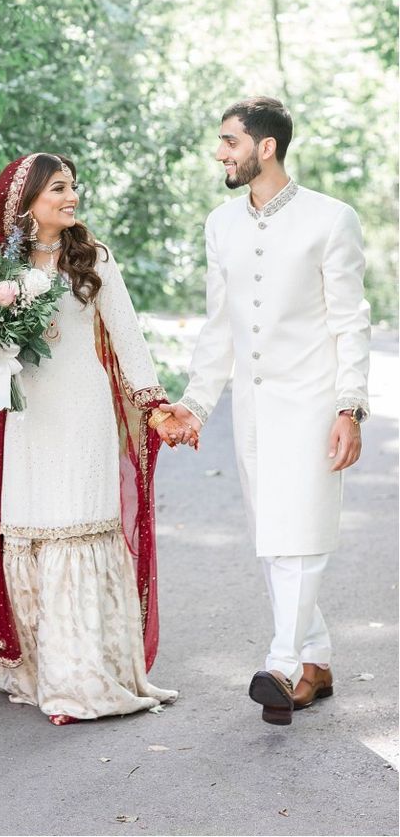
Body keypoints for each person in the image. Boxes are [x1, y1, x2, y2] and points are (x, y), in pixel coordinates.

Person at [161, 97, 371, 726]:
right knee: (273, 536)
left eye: (229, 142)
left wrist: (350, 407)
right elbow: (220, 324)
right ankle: (316, 655)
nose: (220, 154)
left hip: (313, 398)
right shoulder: (220, 223)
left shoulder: (331, 219)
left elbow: (350, 323)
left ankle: (284, 664)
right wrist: (197, 403)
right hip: (254, 406)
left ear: (266, 146)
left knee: (299, 529)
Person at [0, 152, 180, 724]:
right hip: (24, 414)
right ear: (26, 199)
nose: (71, 196)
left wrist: (155, 408)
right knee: (30, 528)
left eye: (73, 187)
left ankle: (81, 679)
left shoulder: (95, 260)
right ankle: (36, 669)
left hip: (84, 413)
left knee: (77, 526)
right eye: (58, 187)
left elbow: (129, 341)